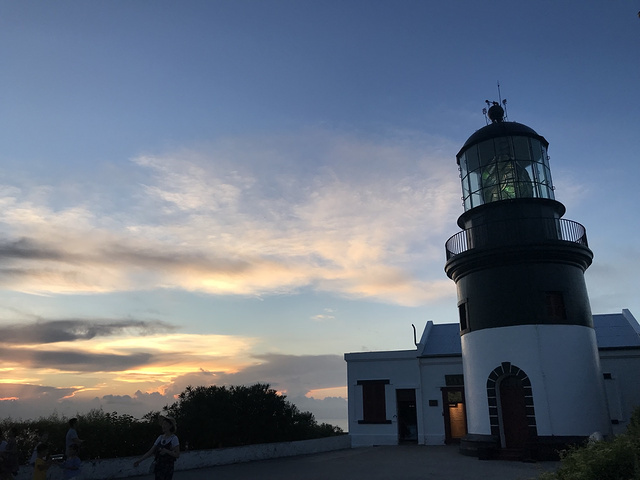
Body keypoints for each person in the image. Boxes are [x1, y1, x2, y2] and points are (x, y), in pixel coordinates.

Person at [133, 416, 180, 480]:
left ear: (171, 426)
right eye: (163, 424)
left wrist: (167, 451)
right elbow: (151, 451)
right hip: (159, 466)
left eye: (165, 424)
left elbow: (177, 454)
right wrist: (139, 460)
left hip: (168, 467)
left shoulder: (174, 438)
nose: (163, 426)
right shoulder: (160, 437)